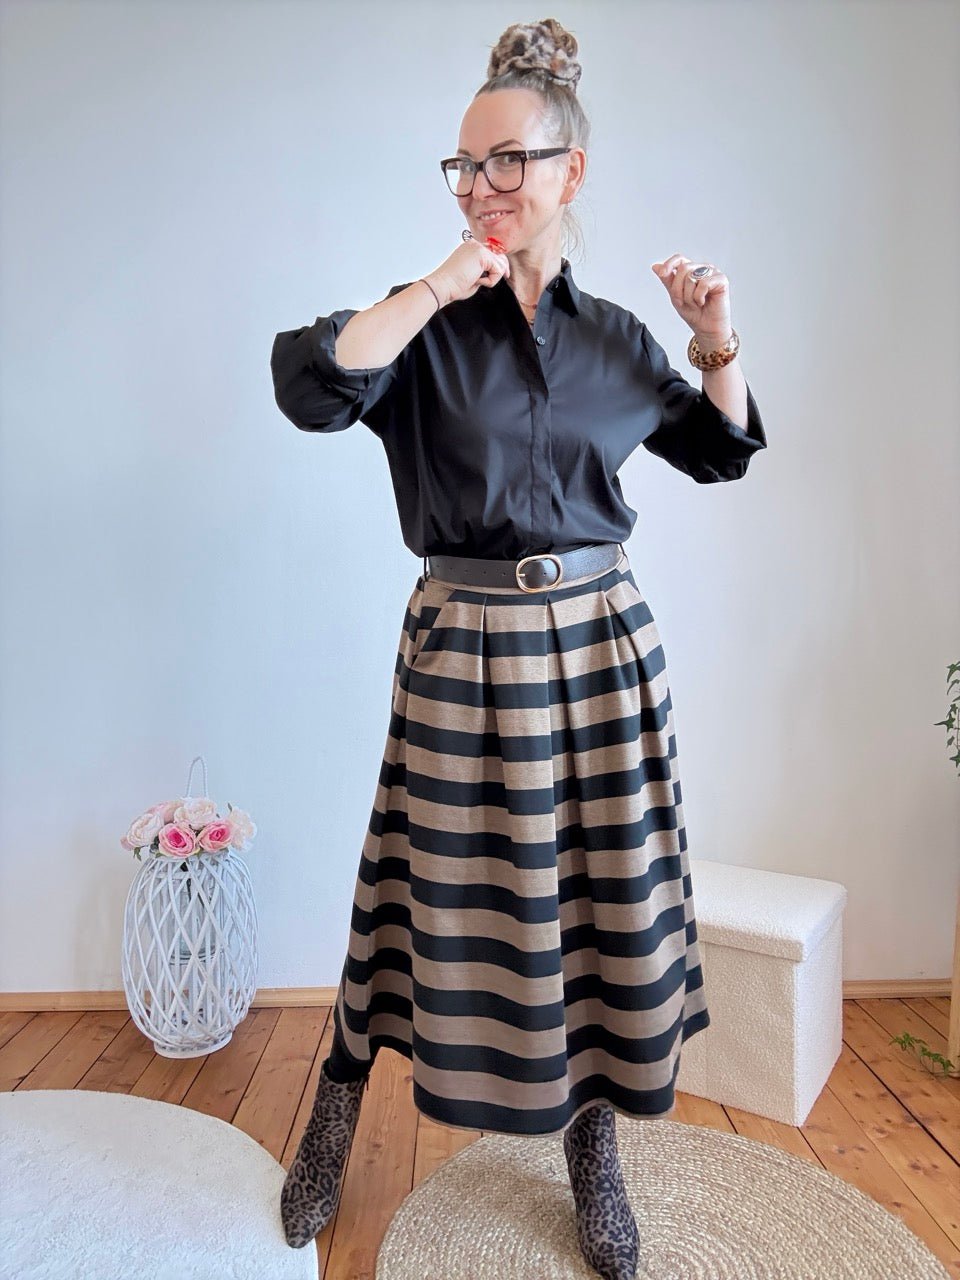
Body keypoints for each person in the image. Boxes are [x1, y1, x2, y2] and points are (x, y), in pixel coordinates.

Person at [270, 17, 767, 1279]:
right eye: (463, 165)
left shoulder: (616, 339)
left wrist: (715, 333)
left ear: (570, 170)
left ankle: (593, 1145)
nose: (481, 186)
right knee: (414, 892)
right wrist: (437, 286)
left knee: (597, 903)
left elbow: (719, 451)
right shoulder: (424, 325)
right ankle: (337, 1098)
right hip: (465, 649)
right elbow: (312, 385)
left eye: (507, 161)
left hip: (601, 648)